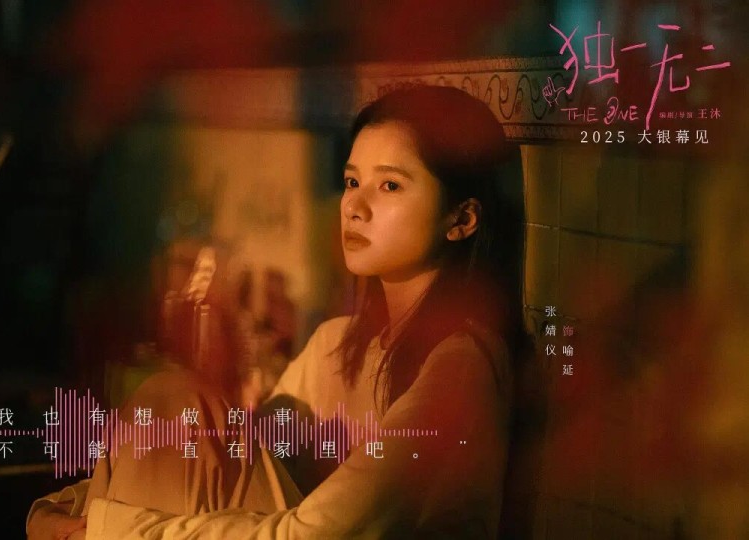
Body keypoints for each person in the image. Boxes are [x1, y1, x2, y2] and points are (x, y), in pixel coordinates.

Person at [26, 85, 523, 539]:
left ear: (462, 219)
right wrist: (65, 511)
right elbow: (207, 459)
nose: (354, 206)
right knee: (174, 405)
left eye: (389, 186)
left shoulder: (462, 365)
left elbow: (311, 535)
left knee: (177, 403)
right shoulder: (337, 345)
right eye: (352, 181)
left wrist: (99, 530)